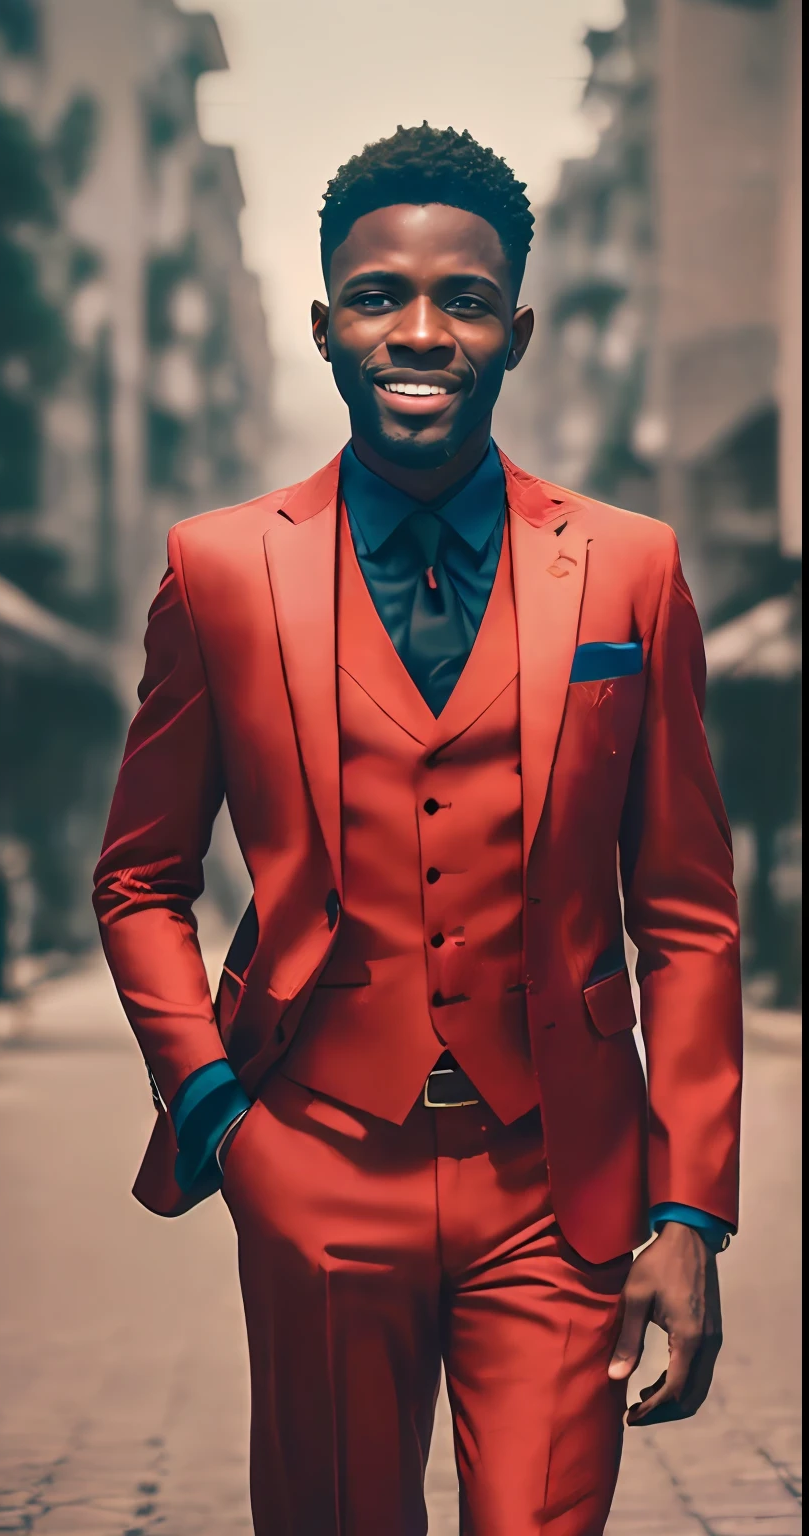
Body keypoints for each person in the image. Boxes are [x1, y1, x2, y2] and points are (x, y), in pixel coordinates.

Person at [93, 125, 743, 1535]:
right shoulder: (217, 570)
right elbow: (140, 878)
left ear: (519, 324)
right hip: (315, 1161)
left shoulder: (631, 568)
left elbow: (686, 912)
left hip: (561, 1183)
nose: (422, 330)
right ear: (324, 322)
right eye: (381, 295)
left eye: (463, 298)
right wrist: (218, 1119)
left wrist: (689, 1211)